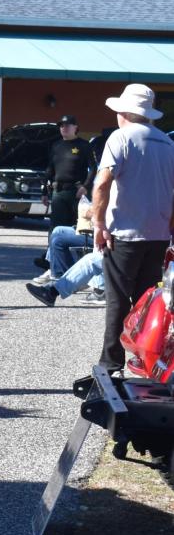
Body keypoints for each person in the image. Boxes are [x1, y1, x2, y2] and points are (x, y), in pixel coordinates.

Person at [91, 84, 174, 373]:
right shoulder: (168, 143)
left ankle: (110, 362)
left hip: (124, 233)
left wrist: (98, 223)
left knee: (117, 300)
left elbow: (103, 183)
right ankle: (145, 359)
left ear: (123, 111)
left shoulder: (120, 138)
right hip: (158, 233)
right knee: (147, 302)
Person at [44, 114, 94, 235]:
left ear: (75, 127)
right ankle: (51, 253)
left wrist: (85, 187)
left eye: (67, 125)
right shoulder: (56, 146)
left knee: (77, 227)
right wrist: (44, 193)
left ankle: (76, 253)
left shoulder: (84, 145)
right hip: (59, 192)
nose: (63, 128)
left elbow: (93, 168)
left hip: (76, 192)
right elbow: (50, 170)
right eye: (61, 125)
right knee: (55, 227)